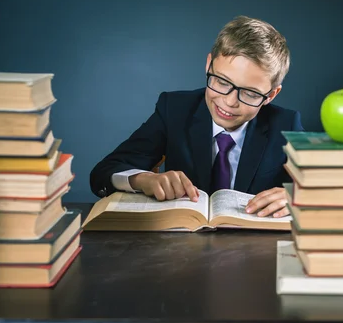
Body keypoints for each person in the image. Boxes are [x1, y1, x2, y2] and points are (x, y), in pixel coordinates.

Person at [89, 15, 303, 218]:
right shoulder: (174, 109)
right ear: (209, 64)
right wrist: (142, 179)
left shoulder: (287, 126)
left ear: (271, 95)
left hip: (251, 247)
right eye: (222, 82)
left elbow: (327, 188)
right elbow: (104, 172)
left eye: (249, 93)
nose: (229, 102)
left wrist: (298, 196)